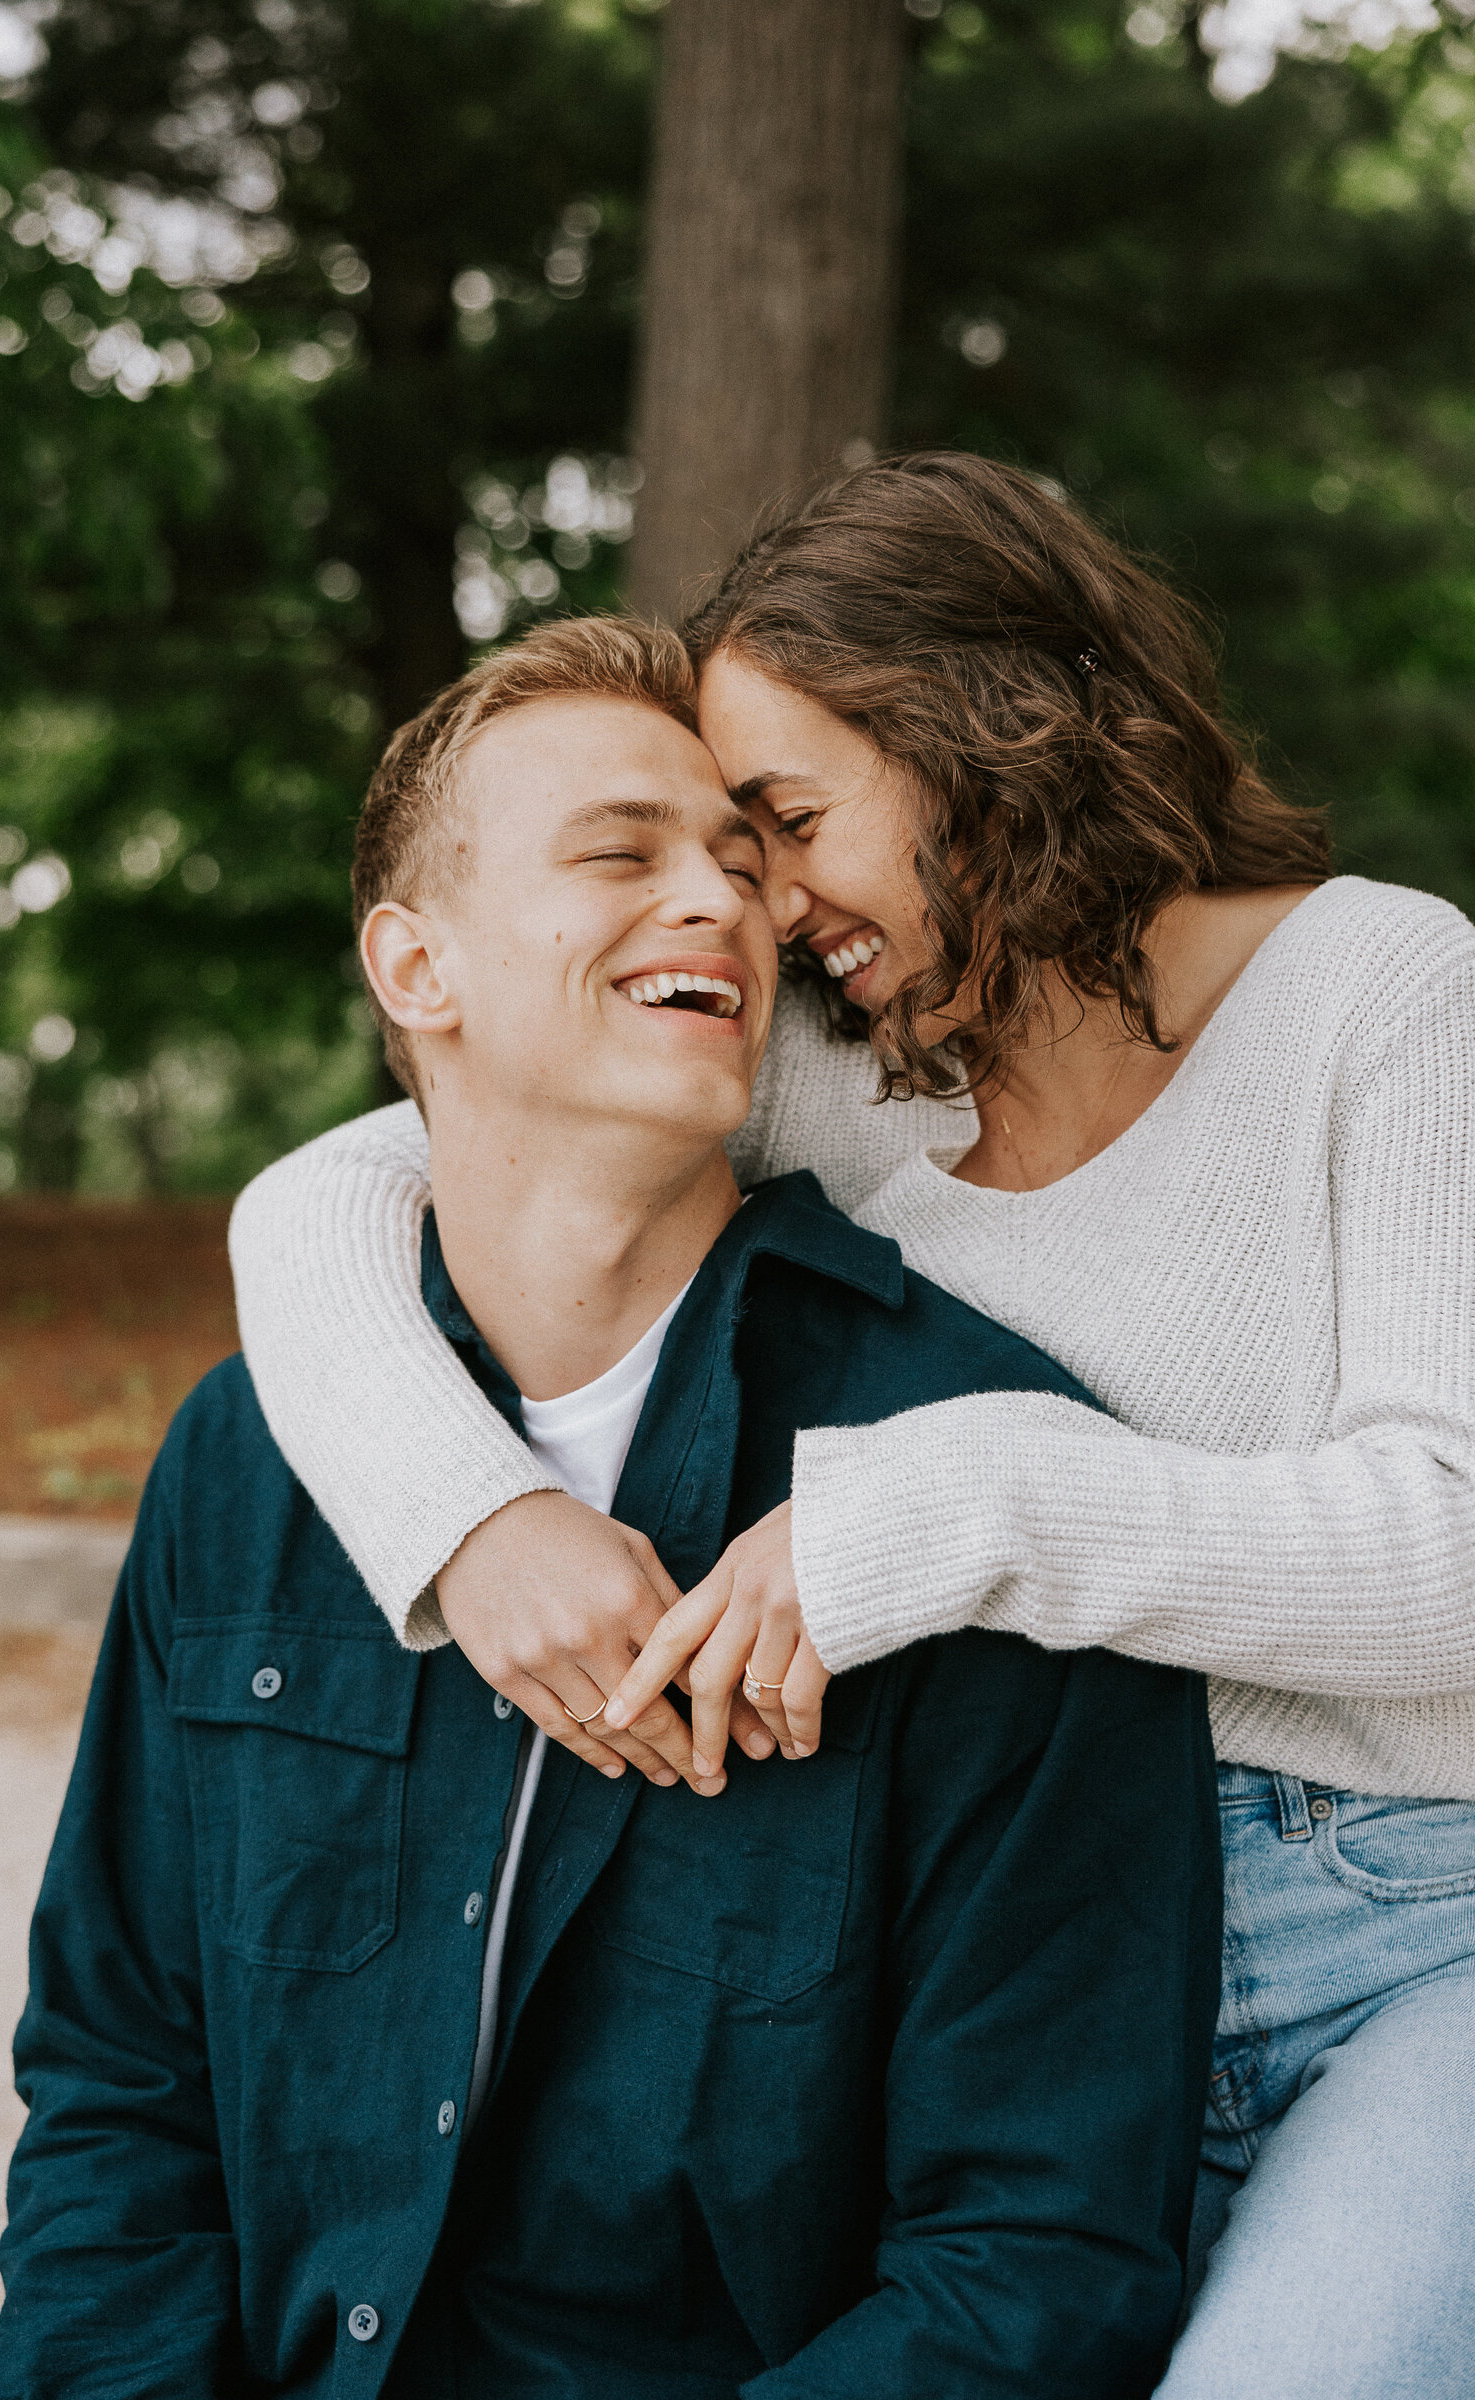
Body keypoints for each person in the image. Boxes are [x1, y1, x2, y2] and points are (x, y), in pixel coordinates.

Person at [229, 456, 1475, 2400]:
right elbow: (326, 1197)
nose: (762, 902)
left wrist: (958, 1495)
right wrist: (467, 1523)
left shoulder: (1379, 990)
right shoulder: (841, 1070)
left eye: (788, 823)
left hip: (1404, 1938)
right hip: (993, 1981)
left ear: (990, 732)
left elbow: (1452, 1553)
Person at [0, 618, 1220, 2400]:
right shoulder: (251, 1461)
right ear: (418, 966)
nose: (722, 902)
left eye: (742, 859)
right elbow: (119, 2083)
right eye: (620, 853)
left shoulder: (978, 1482)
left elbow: (1037, 2263)